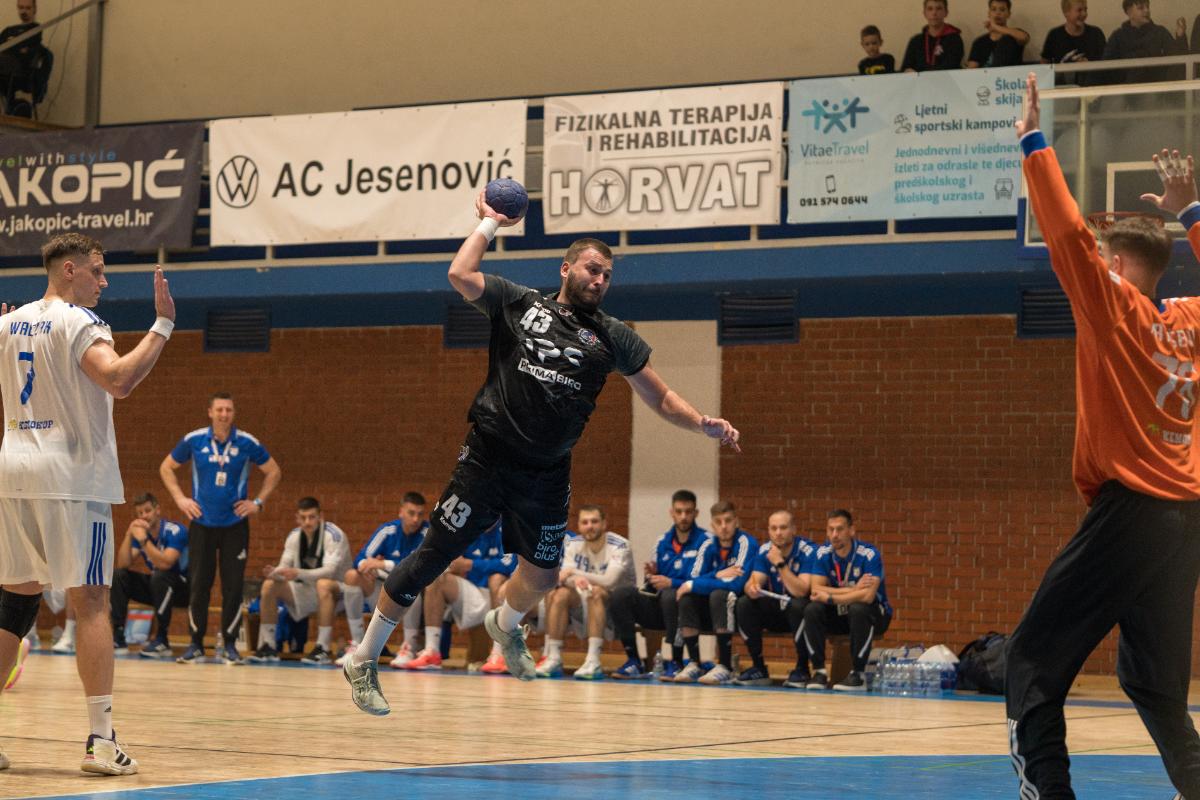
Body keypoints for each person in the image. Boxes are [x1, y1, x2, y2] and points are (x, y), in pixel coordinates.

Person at [343, 193, 739, 715]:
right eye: (592, 270)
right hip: (487, 458)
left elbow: (660, 397)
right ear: (566, 268)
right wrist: (489, 224)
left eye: (608, 275)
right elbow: (460, 274)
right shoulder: (520, 302)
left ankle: (504, 625)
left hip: (548, 472)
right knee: (430, 558)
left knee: (542, 576)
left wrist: (701, 423)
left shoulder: (613, 336)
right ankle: (364, 659)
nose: (600, 280)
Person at [1005, 72, 1200, 799]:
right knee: (1153, 683)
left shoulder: (1113, 308)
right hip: (1188, 519)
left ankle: (1048, 792)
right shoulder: (1189, 322)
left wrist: (1033, 141)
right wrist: (1191, 209)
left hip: (1131, 511)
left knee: (1030, 659)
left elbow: (1064, 233)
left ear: (1116, 267)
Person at [0, 232, 175, 774]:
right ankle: (101, 741)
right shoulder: (78, 321)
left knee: (13, 603)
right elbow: (119, 380)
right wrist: (163, 325)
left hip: (14, 472)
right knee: (92, 602)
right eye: (97, 271)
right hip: (72, 476)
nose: (104, 281)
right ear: (68, 270)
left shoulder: (9, 323)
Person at [159, 392, 281, 665]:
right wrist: (180, 499)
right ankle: (195, 644)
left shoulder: (247, 442)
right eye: (220, 410)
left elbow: (274, 471)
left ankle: (230, 645)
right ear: (210, 412)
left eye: (228, 410)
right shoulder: (194, 440)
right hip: (201, 524)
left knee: (233, 587)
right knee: (199, 585)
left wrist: (257, 503)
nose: (224, 414)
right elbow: (166, 467)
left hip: (235, 525)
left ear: (233, 413)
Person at [609, 490, 712, 680]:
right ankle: (633, 660)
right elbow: (654, 584)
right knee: (620, 594)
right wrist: (652, 575)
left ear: (696, 513)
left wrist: (671, 582)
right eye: (679, 511)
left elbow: (701, 580)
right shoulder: (662, 542)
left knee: (671, 594)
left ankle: (676, 661)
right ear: (672, 513)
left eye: (688, 512)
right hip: (661, 608)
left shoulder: (706, 541)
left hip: (691, 608)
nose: (683, 517)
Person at [247, 497, 351, 665]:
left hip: (340, 594)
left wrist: (297, 573)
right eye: (303, 517)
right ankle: (268, 646)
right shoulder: (294, 536)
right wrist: (275, 573)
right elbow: (284, 567)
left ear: (321, 516)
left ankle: (323, 648)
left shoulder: (333, 535)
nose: (307, 522)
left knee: (323, 584)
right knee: (269, 586)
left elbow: (329, 571)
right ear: (297, 518)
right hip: (308, 589)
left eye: (312, 517)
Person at [537, 504, 635, 680]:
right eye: (585, 522)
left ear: (604, 524)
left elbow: (609, 581)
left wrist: (577, 574)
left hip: (619, 608)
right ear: (579, 526)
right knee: (559, 594)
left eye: (594, 521)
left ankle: (593, 660)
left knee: (596, 592)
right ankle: (554, 657)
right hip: (585, 601)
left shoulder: (620, 545)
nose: (590, 526)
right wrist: (574, 578)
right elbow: (564, 577)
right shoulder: (574, 544)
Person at [401, 525, 514, 671]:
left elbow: (508, 565)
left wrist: (470, 565)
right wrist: (455, 566)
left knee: (497, 578)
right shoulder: (470, 526)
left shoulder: (508, 528)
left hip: (500, 595)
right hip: (472, 591)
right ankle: (431, 651)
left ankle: (499, 654)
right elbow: (453, 561)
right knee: (437, 579)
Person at [802, 509, 891, 691]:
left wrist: (830, 597)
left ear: (851, 530)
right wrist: (853, 589)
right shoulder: (822, 553)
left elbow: (867, 596)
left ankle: (859, 674)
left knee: (859, 608)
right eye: (831, 530)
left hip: (874, 615)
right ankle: (819, 672)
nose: (835, 535)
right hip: (841, 615)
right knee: (812, 609)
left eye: (840, 529)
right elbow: (815, 589)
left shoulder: (869, 554)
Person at [336, 492, 428, 668]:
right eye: (411, 513)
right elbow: (360, 559)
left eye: (420, 514)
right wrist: (367, 566)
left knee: (412, 585)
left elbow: (417, 566)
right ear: (401, 512)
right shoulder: (387, 530)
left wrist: (382, 563)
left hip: (416, 598)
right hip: (385, 592)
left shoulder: (427, 533)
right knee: (352, 576)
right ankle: (358, 644)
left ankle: (409, 648)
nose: (416, 519)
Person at [673, 500, 756, 684]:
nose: (723, 526)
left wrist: (700, 583)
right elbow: (692, 579)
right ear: (712, 525)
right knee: (687, 597)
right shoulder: (707, 544)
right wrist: (717, 574)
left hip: (739, 609)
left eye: (728, 521)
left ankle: (724, 665)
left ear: (736, 521)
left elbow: (736, 584)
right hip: (712, 610)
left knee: (720, 594)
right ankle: (694, 663)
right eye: (718, 522)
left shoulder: (746, 542)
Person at [732, 510, 816, 687]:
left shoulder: (808, 551)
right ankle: (759, 667)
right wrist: (752, 588)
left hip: (798, 612)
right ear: (769, 531)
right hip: (775, 612)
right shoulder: (765, 550)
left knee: (799, 605)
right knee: (744, 603)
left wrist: (780, 563)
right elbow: (754, 581)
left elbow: (801, 590)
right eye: (774, 528)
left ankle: (802, 668)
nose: (778, 533)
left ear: (793, 529)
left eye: (783, 528)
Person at [109, 493, 188, 658]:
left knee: (160, 575)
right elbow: (123, 563)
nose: (144, 516)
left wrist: (144, 541)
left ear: (157, 510)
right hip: (158, 587)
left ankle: (162, 640)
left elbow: (166, 563)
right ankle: (118, 636)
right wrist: (129, 534)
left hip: (184, 590)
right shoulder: (142, 534)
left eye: (147, 510)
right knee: (118, 576)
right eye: (140, 513)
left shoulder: (176, 531)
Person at [1103, 0, 1188, 83]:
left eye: (1147, 7)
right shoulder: (1118, 36)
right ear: (1129, 12)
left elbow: (1177, 60)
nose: (1147, 10)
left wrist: (1180, 37)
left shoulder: (1160, 32)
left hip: (1157, 87)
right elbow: (1107, 66)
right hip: (1126, 89)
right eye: (1141, 8)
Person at [0, 0, 39, 116]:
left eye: (27, 8)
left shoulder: (35, 29)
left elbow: (28, 53)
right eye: (21, 8)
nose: (24, 11)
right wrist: (18, 48)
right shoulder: (8, 30)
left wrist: (11, 46)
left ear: (34, 9)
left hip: (20, 73)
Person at [901, 0, 964, 72]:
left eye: (939, 8)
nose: (934, 13)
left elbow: (952, 66)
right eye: (930, 9)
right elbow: (906, 67)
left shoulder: (954, 39)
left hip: (946, 78)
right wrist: (908, 70)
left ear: (946, 13)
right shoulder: (916, 41)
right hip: (920, 79)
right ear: (925, 13)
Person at [1040, 0, 1106, 66]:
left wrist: (1088, 65)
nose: (1084, 14)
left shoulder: (1096, 34)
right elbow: (1044, 64)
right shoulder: (1054, 36)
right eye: (1079, 10)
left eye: (1085, 9)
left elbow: (1106, 63)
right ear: (1066, 13)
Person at [966, 0, 1029, 68]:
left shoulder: (1013, 35)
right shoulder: (979, 42)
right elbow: (972, 69)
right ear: (989, 13)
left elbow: (1024, 38)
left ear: (1008, 14)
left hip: (1010, 74)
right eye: (994, 9)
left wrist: (995, 27)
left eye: (1002, 10)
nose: (998, 13)